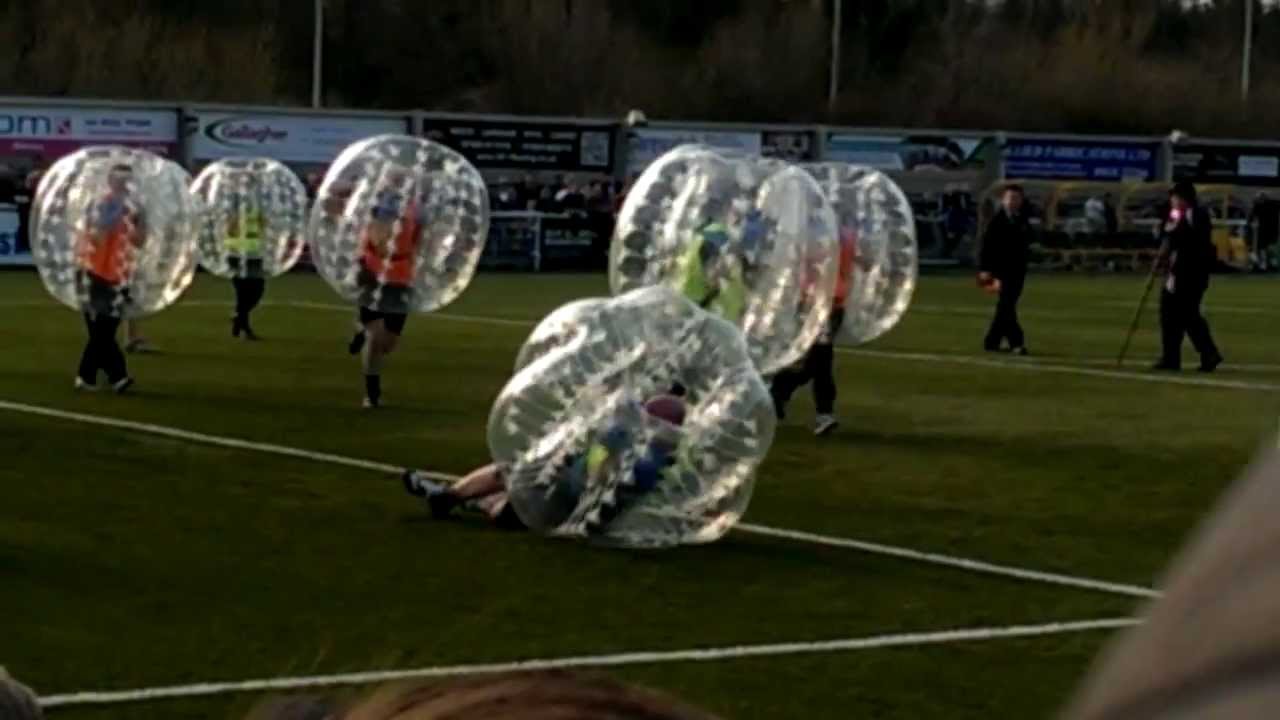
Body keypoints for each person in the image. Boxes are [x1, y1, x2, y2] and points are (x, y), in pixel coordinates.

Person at [403, 395, 687, 531]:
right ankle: (448, 495)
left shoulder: (641, 458)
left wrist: (601, 446)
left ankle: (453, 497)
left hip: (562, 503)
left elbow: (596, 476)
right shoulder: (655, 457)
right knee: (511, 474)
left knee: (507, 497)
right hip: (565, 496)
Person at [770, 225, 857, 436]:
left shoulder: (841, 235)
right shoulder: (818, 234)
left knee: (813, 361)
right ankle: (823, 413)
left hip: (832, 304)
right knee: (821, 359)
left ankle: (778, 394)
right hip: (814, 303)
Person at [347, 170, 422, 408]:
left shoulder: (413, 211)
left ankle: (360, 327)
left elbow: (418, 241)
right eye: (395, 181)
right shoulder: (377, 208)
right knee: (376, 337)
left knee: (389, 343)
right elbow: (376, 240)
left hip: (401, 279)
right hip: (373, 275)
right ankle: (372, 392)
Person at [74, 163, 143, 393]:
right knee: (101, 330)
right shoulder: (102, 204)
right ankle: (116, 377)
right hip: (93, 272)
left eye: (127, 180)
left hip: (119, 275)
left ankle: (90, 376)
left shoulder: (132, 209)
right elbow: (97, 238)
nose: (124, 184)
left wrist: (139, 220)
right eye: (120, 180)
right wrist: (112, 218)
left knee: (105, 330)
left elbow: (139, 241)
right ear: (111, 181)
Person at [1153, 182, 1222, 373]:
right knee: (1171, 314)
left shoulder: (1196, 214)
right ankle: (1172, 356)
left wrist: (1170, 241)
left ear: (1183, 198)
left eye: (1174, 197)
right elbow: (1168, 235)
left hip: (1190, 272)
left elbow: (1184, 238)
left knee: (1186, 314)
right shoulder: (1179, 214)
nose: (1172, 201)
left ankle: (1207, 353)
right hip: (1178, 273)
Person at [978, 184, 1033, 356]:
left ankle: (991, 341)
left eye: (1016, 198)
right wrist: (985, 270)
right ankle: (1017, 342)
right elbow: (986, 247)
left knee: (1005, 307)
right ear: (1003, 200)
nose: (1013, 202)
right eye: (1010, 198)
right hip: (998, 272)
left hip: (1017, 272)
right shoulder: (996, 221)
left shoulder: (1021, 220)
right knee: (1006, 306)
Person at [226, 192, 267, 340]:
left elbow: (264, 229)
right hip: (238, 255)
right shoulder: (233, 214)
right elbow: (230, 231)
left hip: (255, 255)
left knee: (257, 290)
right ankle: (243, 327)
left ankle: (239, 319)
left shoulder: (256, 211)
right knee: (243, 293)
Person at [1249, 191, 1279, 271]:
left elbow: (1251, 217)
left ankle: (1265, 265)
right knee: (1268, 247)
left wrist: (1251, 223)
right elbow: (1252, 217)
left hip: (1266, 229)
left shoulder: (1258, 205)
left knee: (1264, 247)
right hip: (1271, 229)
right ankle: (1271, 264)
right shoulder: (1274, 203)